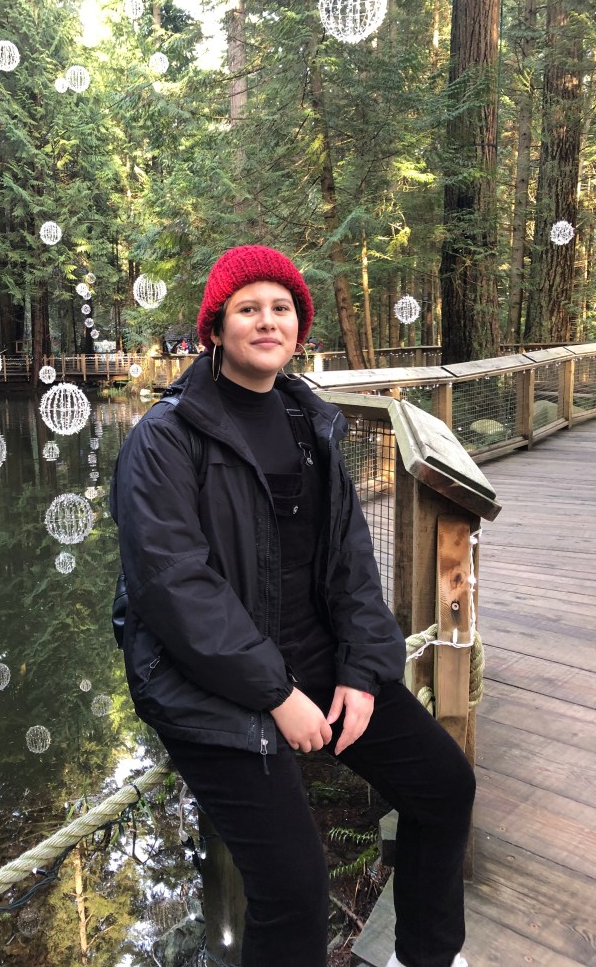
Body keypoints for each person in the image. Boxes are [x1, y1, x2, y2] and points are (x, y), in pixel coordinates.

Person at [110, 245, 475, 967]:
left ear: (298, 327)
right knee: (295, 888)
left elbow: (350, 561)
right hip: (208, 684)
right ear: (216, 328)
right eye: (248, 308)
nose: (267, 321)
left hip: (320, 664)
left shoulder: (310, 420)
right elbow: (175, 588)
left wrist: (363, 672)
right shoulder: (166, 437)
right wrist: (277, 695)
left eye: (281, 308)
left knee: (444, 787)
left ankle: (426, 957)